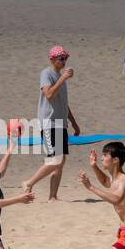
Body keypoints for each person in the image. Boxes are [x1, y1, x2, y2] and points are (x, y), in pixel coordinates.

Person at [23, 46, 80, 200]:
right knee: (54, 160)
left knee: (60, 162)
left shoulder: (60, 78)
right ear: (52, 59)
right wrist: (63, 78)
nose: (64, 61)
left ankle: (53, 196)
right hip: (49, 122)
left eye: (65, 58)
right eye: (61, 58)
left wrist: (74, 123)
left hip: (61, 123)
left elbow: (64, 103)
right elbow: (48, 94)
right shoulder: (46, 73)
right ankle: (29, 182)